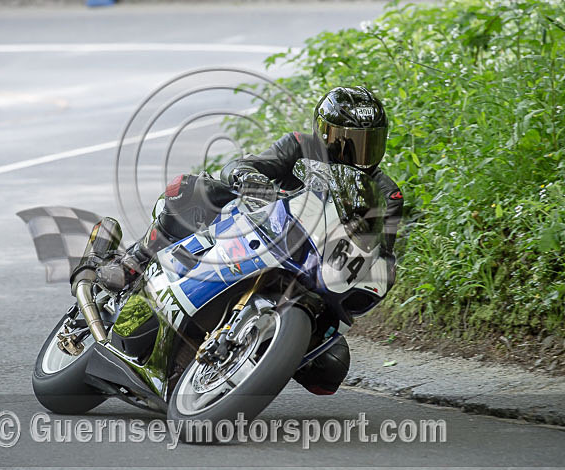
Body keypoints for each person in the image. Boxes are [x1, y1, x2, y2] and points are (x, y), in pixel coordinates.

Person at [96, 86, 403, 395]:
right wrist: (249, 177)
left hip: (318, 268)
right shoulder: (299, 146)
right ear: (322, 133)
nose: (352, 154)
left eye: (365, 143)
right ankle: (134, 260)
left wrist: (383, 269)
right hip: (262, 228)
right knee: (191, 190)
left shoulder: (386, 193)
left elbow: (383, 249)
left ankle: (251, 358)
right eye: (343, 140)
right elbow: (245, 165)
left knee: (331, 370)